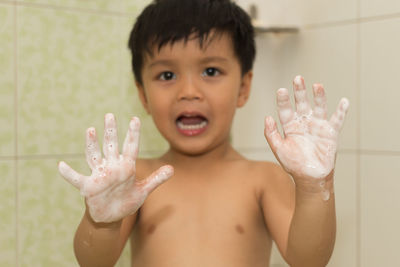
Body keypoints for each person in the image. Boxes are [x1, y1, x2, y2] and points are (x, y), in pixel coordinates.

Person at [58, 0, 349, 266]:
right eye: (167, 75)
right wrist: (102, 222)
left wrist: (314, 188)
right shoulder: (137, 181)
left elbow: (308, 260)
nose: (189, 92)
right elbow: (94, 262)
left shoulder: (262, 179)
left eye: (210, 71)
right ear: (143, 95)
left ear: (243, 87)